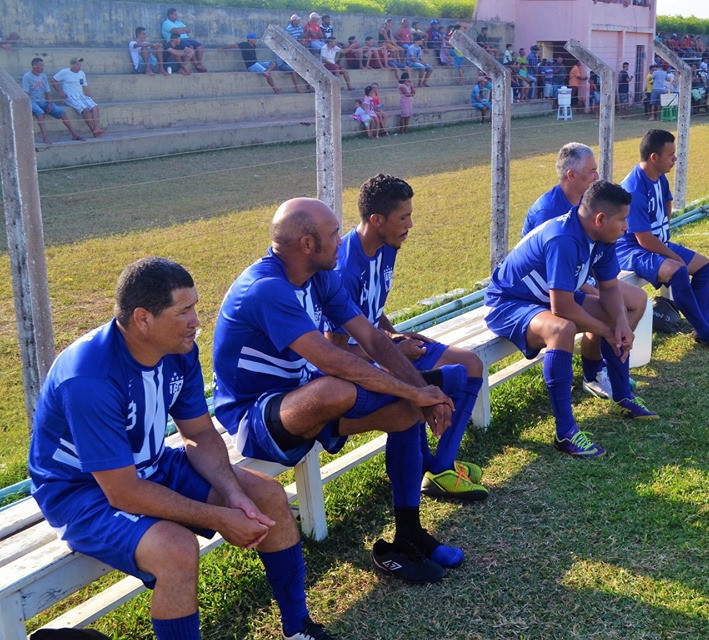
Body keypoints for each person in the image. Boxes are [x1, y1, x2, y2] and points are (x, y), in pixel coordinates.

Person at [28, 257, 337, 640]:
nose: (196, 321)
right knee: (176, 549)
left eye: (195, 307)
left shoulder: (179, 348)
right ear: (143, 319)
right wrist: (220, 518)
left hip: (149, 463)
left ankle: (298, 628)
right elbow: (123, 491)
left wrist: (233, 495)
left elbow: (199, 434)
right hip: (83, 491)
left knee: (267, 497)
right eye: (184, 311)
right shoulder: (89, 377)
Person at [212, 198, 463, 584]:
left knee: (404, 413)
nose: (341, 242)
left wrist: (419, 392)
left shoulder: (320, 275)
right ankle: (431, 390)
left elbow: (375, 340)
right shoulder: (265, 290)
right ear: (307, 245)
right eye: (333, 235)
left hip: (304, 390)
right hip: (255, 417)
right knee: (336, 390)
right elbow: (334, 361)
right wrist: (417, 390)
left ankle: (409, 536)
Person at [326, 175, 489, 500]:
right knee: (454, 375)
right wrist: (392, 349)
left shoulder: (387, 246)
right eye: (403, 217)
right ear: (377, 220)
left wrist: (392, 333)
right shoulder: (346, 269)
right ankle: (438, 470)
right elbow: (334, 351)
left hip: (384, 347)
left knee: (471, 364)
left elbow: (370, 309)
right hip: (361, 364)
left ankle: (441, 465)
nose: (410, 224)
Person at [485, 181, 653, 458]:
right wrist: (606, 330)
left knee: (618, 314)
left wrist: (620, 323)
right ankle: (565, 432)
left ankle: (622, 396)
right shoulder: (563, 238)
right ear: (600, 219)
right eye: (623, 220)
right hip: (509, 302)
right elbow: (561, 307)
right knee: (562, 328)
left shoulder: (601, 237)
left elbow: (609, 288)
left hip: (545, 298)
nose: (626, 227)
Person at [522, 143, 652, 403]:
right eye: (592, 171)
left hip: (579, 275)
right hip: (551, 284)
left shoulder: (589, 203)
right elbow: (552, 271)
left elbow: (594, 252)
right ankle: (593, 372)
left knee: (636, 300)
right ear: (571, 176)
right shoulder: (548, 212)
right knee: (603, 306)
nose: (597, 176)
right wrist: (592, 291)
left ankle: (602, 365)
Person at [617, 129, 709, 350]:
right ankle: (706, 334)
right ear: (654, 157)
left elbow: (666, 203)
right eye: (671, 154)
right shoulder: (634, 188)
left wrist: (664, 233)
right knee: (678, 270)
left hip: (655, 244)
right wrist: (673, 256)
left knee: (704, 266)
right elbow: (643, 239)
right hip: (632, 249)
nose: (675, 159)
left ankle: (705, 324)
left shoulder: (660, 178)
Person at [22, 57, 84, 143]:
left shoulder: (43, 76)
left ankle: (74, 134)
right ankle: (45, 137)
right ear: (34, 66)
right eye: (40, 66)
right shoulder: (27, 76)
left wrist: (49, 104)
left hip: (42, 101)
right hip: (32, 101)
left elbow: (47, 92)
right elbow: (26, 93)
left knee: (62, 112)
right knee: (40, 112)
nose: (42, 67)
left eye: (43, 66)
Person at [52, 57, 106, 137]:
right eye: (77, 65)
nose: (79, 67)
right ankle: (93, 130)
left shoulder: (81, 73)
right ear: (72, 65)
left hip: (80, 95)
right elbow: (53, 80)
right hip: (70, 96)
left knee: (95, 107)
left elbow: (85, 85)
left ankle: (97, 128)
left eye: (80, 65)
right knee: (85, 109)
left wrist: (89, 96)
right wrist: (61, 92)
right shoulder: (65, 72)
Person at [161, 8, 206, 72]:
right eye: (175, 14)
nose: (177, 16)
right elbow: (177, 31)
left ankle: (199, 63)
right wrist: (182, 30)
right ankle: (196, 65)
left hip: (187, 39)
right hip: (178, 40)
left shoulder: (178, 22)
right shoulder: (166, 23)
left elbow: (188, 30)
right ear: (170, 15)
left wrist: (180, 30)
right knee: (190, 47)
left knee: (200, 46)